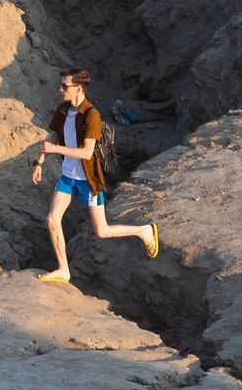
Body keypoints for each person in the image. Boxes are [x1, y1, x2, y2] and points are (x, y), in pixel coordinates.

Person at [32, 68, 158, 282]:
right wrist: (39, 163)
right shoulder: (63, 110)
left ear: (78, 89)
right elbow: (52, 137)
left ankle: (144, 231)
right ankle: (63, 269)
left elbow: (87, 152)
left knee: (102, 230)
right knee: (52, 220)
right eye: (61, 85)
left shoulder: (92, 115)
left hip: (88, 180)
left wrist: (55, 150)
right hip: (67, 177)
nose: (60, 89)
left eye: (65, 86)